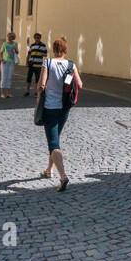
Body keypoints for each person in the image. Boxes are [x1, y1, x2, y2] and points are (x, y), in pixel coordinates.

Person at [37, 36, 82, 192]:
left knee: (53, 143)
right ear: (65, 50)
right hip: (65, 108)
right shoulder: (71, 64)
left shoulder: (47, 62)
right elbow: (80, 84)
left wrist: (40, 94)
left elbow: (42, 84)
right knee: (55, 139)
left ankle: (63, 176)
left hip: (50, 107)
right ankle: (48, 170)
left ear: (54, 49)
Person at [0, 32, 19, 99]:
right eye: (8, 37)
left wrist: (15, 49)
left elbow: (17, 52)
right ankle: (2, 93)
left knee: (9, 77)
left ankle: (8, 93)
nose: (9, 38)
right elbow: (1, 53)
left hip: (11, 62)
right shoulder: (4, 44)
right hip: (5, 62)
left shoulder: (15, 44)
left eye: (11, 37)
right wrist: (2, 59)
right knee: (3, 77)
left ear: (13, 37)